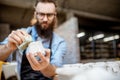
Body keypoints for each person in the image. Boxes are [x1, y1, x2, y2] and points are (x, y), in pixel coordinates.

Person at [0, 0, 67, 80]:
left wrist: (45, 66)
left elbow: (54, 71)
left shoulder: (59, 42)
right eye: (41, 14)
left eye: (49, 15)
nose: (45, 19)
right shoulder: (23, 33)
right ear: (35, 14)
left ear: (54, 15)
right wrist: (8, 47)